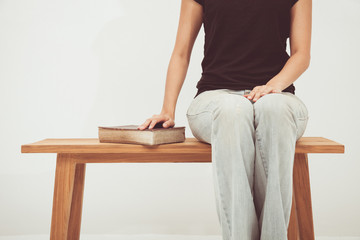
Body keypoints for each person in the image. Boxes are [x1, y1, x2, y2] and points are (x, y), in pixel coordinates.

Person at [138, 0, 312, 239]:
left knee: (274, 109)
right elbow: (181, 53)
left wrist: (273, 86)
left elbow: (301, 54)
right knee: (233, 110)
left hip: (277, 95)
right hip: (215, 99)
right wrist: (168, 109)